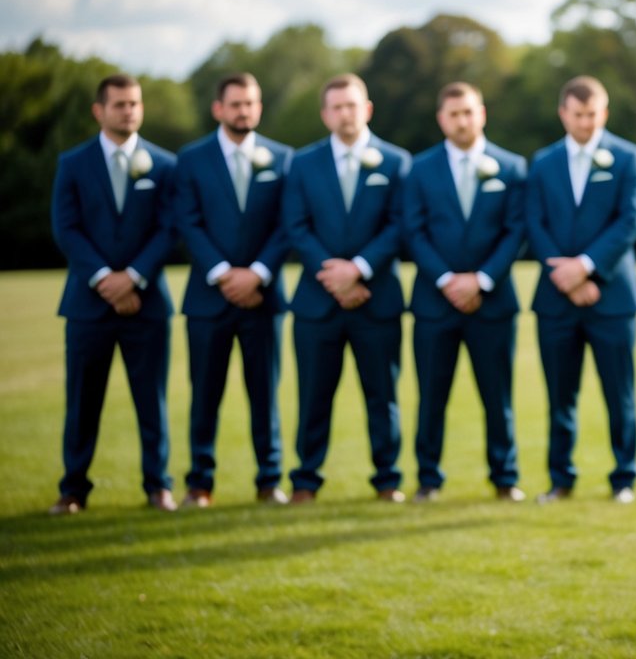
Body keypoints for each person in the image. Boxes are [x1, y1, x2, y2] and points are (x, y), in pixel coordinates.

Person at [49, 73, 178, 514]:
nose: (129, 111)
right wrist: (106, 277)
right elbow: (66, 228)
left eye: (135, 103)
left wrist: (135, 276)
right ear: (99, 110)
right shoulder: (73, 163)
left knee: (152, 401)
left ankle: (158, 486)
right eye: (120, 104)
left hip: (147, 305)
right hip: (89, 305)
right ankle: (73, 489)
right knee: (83, 402)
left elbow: (169, 228)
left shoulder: (164, 165)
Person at [281, 72, 411, 504]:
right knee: (313, 396)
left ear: (367, 108)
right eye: (336, 107)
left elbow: (399, 226)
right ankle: (305, 479)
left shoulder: (395, 162)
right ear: (325, 114)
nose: (344, 114)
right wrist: (334, 276)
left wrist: (358, 269)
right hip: (318, 304)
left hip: (377, 301)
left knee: (382, 396)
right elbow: (296, 227)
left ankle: (387, 479)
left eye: (351, 105)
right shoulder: (302, 163)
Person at [525, 75, 636, 504]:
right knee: (560, 396)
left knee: (620, 394)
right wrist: (566, 275)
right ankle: (561, 479)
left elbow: (630, 221)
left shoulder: (629, 157)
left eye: (593, 114)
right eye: (578, 115)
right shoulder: (542, 163)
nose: (586, 122)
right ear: (564, 113)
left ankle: (624, 478)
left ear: (605, 112)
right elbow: (534, 223)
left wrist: (587, 269)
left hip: (612, 298)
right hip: (556, 300)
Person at [402, 82, 528, 503]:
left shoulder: (510, 168)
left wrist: (482, 280)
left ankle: (505, 477)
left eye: (468, 112)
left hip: (492, 303)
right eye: (454, 114)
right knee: (432, 396)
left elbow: (515, 231)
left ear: (482, 113)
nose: (462, 120)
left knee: (498, 396)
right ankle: (428, 479)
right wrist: (447, 281)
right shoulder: (418, 169)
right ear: (442, 119)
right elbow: (414, 232)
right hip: (434, 304)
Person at [175, 72, 294, 508]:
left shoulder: (283, 159)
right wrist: (225, 273)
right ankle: (199, 483)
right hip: (209, 299)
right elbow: (187, 221)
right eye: (237, 104)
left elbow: (288, 223)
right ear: (218, 109)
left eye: (251, 103)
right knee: (205, 393)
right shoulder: (191, 159)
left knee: (265, 393)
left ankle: (269, 480)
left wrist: (258, 273)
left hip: (264, 298)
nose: (245, 111)